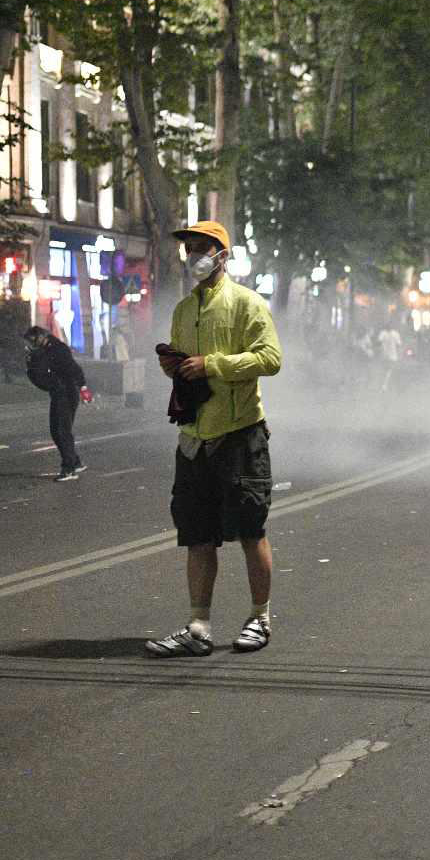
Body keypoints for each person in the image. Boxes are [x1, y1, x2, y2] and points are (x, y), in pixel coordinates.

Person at [144, 221, 283, 657]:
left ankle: (259, 618)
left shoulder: (247, 304)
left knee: (249, 530)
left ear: (223, 254)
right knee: (197, 535)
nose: (193, 257)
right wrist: (177, 366)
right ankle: (198, 625)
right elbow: (189, 363)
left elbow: (271, 358)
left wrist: (213, 365)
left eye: (201, 248)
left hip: (239, 435)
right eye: (189, 250)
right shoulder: (184, 310)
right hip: (193, 437)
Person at [24, 324, 87, 482]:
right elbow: (39, 376)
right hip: (59, 392)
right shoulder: (44, 351)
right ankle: (74, 461)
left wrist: (83, 387)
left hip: (65, 392)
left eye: (34, 340)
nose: (32, 344)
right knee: (59, 430)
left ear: (42, 337)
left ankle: (69, 469)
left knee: (61, 430)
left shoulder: (57, 349)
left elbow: (72, 368)